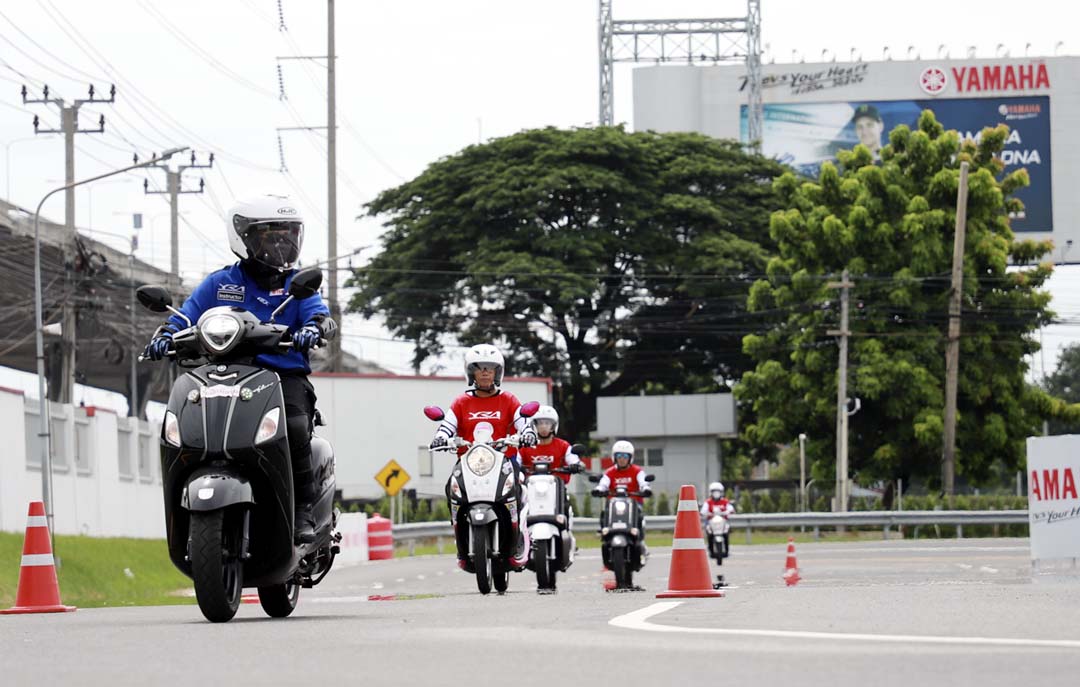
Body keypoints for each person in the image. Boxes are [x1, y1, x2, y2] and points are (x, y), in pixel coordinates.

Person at [143, 194, 337, 544]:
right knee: (185, 430)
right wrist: (165, 335)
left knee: (293, 426)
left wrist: (315, 328)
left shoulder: (297, 286)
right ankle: (180, 516)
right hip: (226, 376)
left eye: (288, 235)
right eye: (271, 236)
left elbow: (318, 313)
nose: (282, 244)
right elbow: (186, 316)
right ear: (244, 239)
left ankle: (303, 508)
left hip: (283, 377)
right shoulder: (221, 283)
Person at [429, 343, 538, 568]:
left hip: (503, 461)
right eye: (480, 368)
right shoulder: (461, 402)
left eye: (491, 368)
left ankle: (519, 538)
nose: (486, 372)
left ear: (498, 372)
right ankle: (462, 544)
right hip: (469, 463)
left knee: (518, 487)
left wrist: (527, 433)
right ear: (471, 373)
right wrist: (441, 436)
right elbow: (447, 425)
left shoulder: (508, 399)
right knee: (451, 487)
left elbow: (522, 421)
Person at [593, 439, 651, 557]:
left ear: (630, 457)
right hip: (614, 504)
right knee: (605, 512)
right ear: (614, 457)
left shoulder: (637, 471)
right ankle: (604, 532)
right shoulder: (610, 472)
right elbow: (604, 483)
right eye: (619, 455)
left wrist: (645, 488)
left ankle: (640, 540)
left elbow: (643, 482)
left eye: (625, 456)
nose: (622, 459)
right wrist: (599, 489)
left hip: (633, 504)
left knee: (639, 516)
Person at [517, 405, 583, 485]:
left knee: (565, 496)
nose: (544, 427)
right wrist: (516, 467)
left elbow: (573, 460)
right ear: (533, 425)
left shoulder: (563, 446)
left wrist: (576, 465)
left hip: (557, 486)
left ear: (554, 425)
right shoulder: (525, 446)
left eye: (547, 423)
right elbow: (516, 461)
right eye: (540, 423)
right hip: (530, 487)